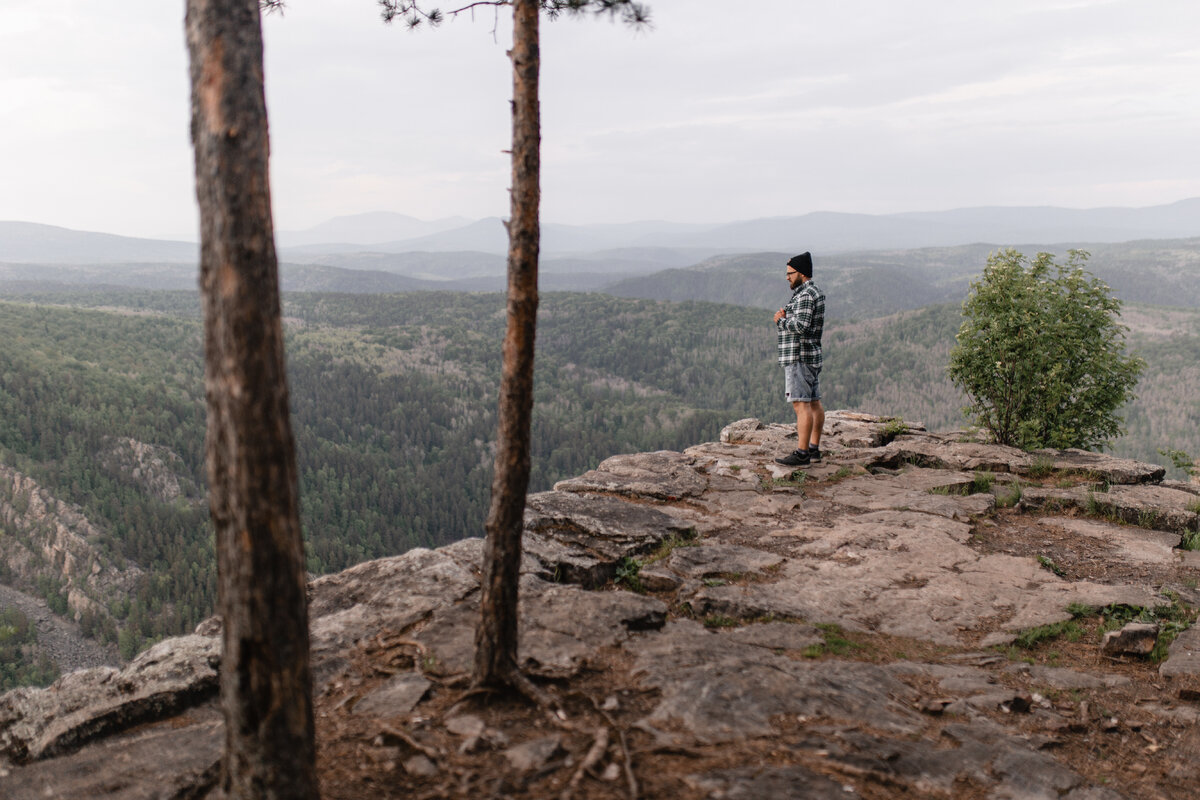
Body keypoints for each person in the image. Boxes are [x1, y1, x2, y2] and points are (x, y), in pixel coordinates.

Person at [773, 252, 825, 467]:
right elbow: (805, 320)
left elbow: (801, 326)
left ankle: (802, 454)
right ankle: (813, 449)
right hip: (810, 356)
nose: (787, 277)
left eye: (790, 273)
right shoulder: (812, 293)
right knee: (813, 403)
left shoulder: (804, 296)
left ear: (801, 273)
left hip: (799, 357)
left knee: (800, 405)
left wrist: (781, 321)